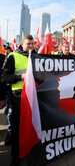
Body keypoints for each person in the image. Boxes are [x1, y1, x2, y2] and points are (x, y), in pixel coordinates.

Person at [0, 35, 35, 166]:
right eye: (28, 44)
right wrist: (21, 77)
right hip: (18, 98)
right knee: (17, 129)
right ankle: (16, 157)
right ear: (22, 44)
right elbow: (4, 78)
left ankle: (30, 151)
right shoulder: (13, 56)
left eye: (33, 43)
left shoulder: (37, 57)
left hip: (34, 99)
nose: (31, 46)